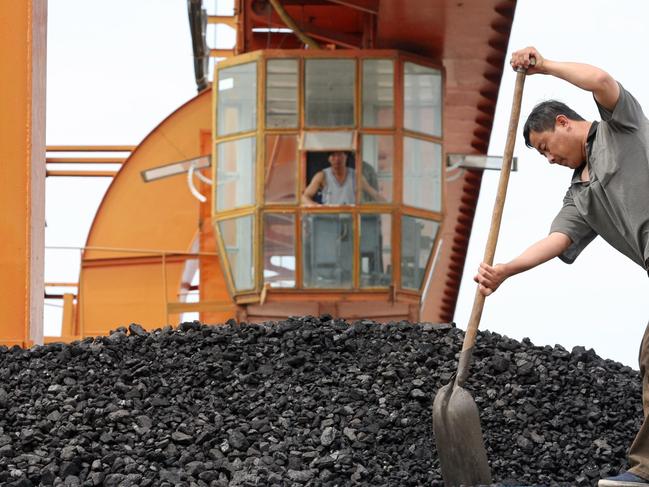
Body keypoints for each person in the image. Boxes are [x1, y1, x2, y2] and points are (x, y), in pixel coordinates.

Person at [474, 46, 649, 487]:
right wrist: (505, 270)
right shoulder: (579, 196)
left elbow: (602, 80)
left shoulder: (619, 128)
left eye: (545, 147)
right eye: (540, 156)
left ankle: (647, 471)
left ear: (563, 123)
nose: (549, 159)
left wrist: (545, 67)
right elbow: (557, 240)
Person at [301, 151, 384, 206]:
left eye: (340, 155)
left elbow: (374, 194)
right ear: (329, 159)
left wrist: (389, 205)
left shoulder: (355, 175)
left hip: (351, 219)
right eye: (333, 156)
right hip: (328, 219)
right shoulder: (322, 175)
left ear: (346, 157)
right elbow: (304, 197)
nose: (337, 159)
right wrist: (316, 207)